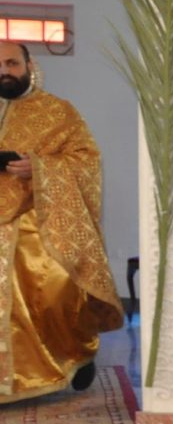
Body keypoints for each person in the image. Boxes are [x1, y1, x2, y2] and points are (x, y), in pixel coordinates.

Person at [0, 40, 124, 403]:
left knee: (56, 289)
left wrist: (39, 168)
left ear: (29, 66)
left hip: (40, 219)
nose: (4, 71)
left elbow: (86, 160)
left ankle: (74, 355)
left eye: (12, 63)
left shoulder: (58, 112)